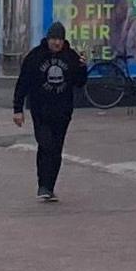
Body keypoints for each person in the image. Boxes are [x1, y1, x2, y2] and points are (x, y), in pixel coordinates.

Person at [13, 23, 84, 201]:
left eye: (59, 39)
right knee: (45, 145)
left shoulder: (70, 56)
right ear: (48, 39)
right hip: (40, 110)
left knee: (56, 149)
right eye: (54, 39)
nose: (56, 43)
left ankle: (50, 186)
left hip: (63, 111)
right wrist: (18, 109)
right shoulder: (35, 56)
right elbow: (23, 83)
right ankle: (43, 185)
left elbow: (79, 82)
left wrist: (83, 67)